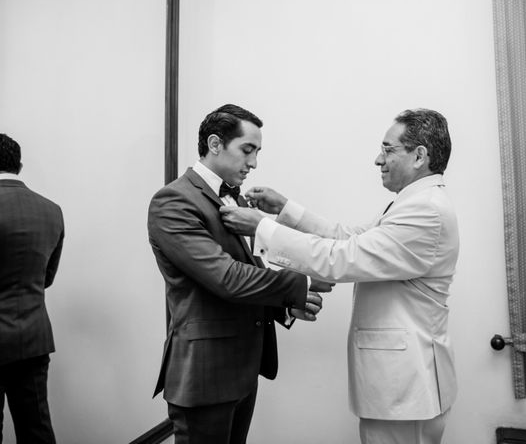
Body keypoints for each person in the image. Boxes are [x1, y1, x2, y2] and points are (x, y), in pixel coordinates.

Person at [220, 108, 459, 444]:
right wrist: (286, 208)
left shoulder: (425, 210)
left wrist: (262, 228)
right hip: (404, 385)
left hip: (407, 387)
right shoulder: (412, 203)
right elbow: (347, 236)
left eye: (388, 149)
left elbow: (342, 258)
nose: (379, 159)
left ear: (420, 156)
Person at [147, 104, 323, 444]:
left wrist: (284, 308)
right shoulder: (173, 202)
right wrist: (297, 284)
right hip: (205, 376)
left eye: (257, 152)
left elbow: (251, 272)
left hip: (243, 372)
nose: (254, 163)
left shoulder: (237, 201)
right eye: (248, 150)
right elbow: (226, 277)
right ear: (215, 144)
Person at [0, 133, 64, 444]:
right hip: (32, 339)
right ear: (19, 166)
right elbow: (46, 278)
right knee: (36, 428)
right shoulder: (51, 210)